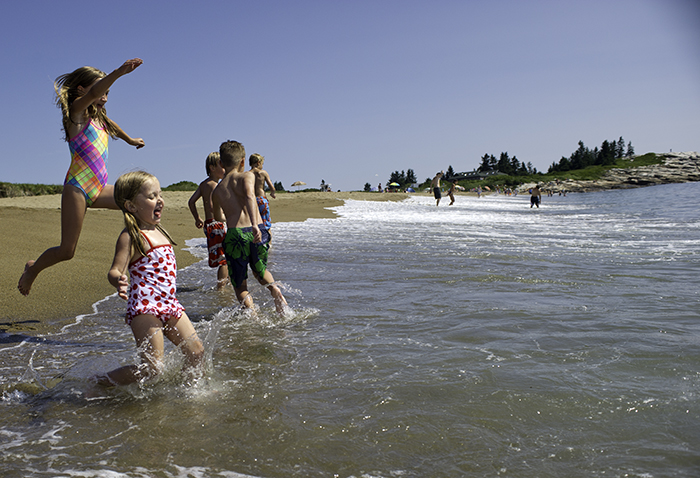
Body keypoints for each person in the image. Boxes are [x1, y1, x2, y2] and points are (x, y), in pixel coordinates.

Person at [18, 59, 145, 296]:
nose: (105, 96)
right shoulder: (76, 114)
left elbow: (113, 126)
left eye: (108, 92)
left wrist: (130, 140)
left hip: (100, 187)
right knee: (67, 251)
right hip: (77, 188)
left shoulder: (99, 118)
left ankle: (120, 268)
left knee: (137, 207)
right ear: (81, 90)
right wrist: (118, 72)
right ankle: (33, 269)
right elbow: (95, 92)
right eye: (101, 90)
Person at [93, 171, 204, 386]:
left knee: (196, 352)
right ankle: (101, 382)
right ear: (132, 206)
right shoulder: (131, 236)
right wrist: (118, 280)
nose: (159, 200)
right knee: (152, 369)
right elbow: (115, 269)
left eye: (159, 194)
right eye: (152, 196)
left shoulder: (159, 231)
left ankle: (190, 392)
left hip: (170, 304)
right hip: (145, 306)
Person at [213, 141, 288, 315]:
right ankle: (276, 292)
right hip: (257, 230)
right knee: (261, 271)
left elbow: (218, 217)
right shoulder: (247, 176)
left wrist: (230, 216)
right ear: (243, 161)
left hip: (235, 234)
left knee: (240, 285)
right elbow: (249, 196)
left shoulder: (217, 190)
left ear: (221, 163)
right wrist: (255, 224)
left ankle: (252, 314)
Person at [188, 152, 229, 288]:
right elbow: (212, 207)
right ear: (212, 168)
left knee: (222, 256)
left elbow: (191, 202)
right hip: (217, 224)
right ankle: (221, 288)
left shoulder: (203, 184)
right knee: (224, 259)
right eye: (221, 165)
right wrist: (225, 215)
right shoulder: (214, 185)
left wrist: (197, 218)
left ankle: (225, 283)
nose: (224, 168)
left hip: (209, 224)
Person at [249, 153, 276, 237]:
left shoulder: (248, 174)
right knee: (266, 224)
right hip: (262, 200)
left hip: (252, 200)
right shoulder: (263, 173)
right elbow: (272, 187)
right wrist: (272, 193)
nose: (262, 166)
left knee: (254, 222)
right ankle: (269, 244)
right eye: (262, 164)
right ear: (258, 162)